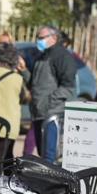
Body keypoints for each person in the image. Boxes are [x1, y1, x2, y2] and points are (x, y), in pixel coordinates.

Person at [29, 25, 77, 162]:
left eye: (41, 37)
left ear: (54, 38)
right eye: (37, 37)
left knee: (50, 156)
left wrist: (49, 101)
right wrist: (24, 71)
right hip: (39, 112)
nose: (38, 40)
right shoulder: (41, 56)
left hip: (52, 113)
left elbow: (68, 87)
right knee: (42, 153)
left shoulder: (62, 56)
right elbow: (34, 83)